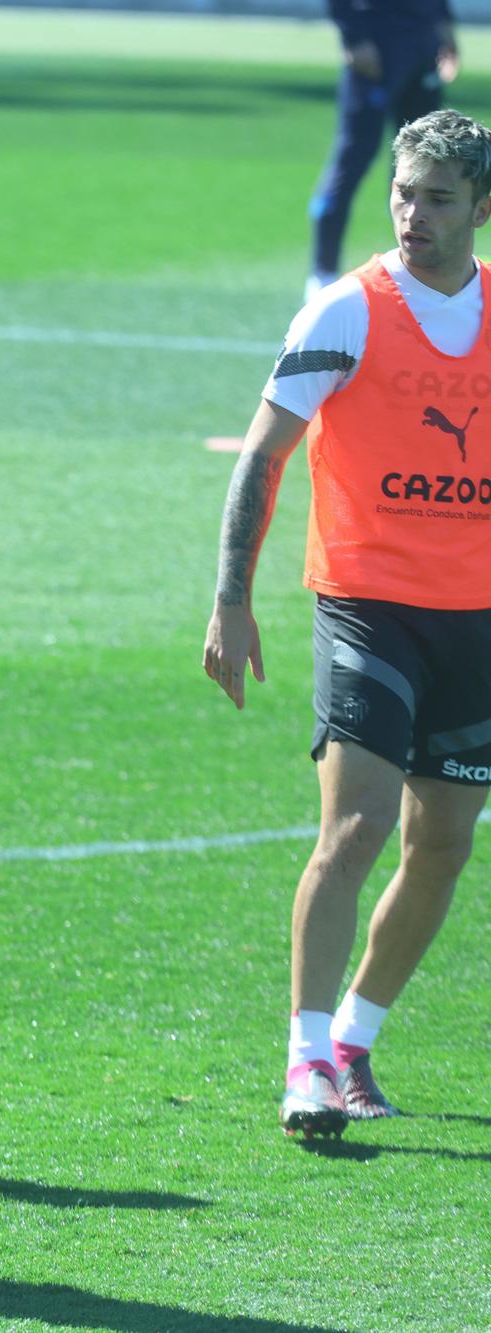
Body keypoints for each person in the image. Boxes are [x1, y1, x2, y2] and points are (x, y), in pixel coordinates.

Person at [206, 110, 491, 1138]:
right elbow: (261, 455)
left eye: (437, 198)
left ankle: (357, 1040)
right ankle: (304, 1060)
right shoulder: (346, 311)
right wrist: (229, 598)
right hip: (366, 606)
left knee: (442, 843)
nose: (413, 215)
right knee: (357, 824)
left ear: (481, 208)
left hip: (476, 622)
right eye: (403, 193)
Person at [307, 0, 459, 298]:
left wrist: (445, 31)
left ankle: (413, 274)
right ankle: (322, 275)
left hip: (423, 46)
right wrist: (354, 36)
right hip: (378, 45)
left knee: (421, 170)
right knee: (353, 158)